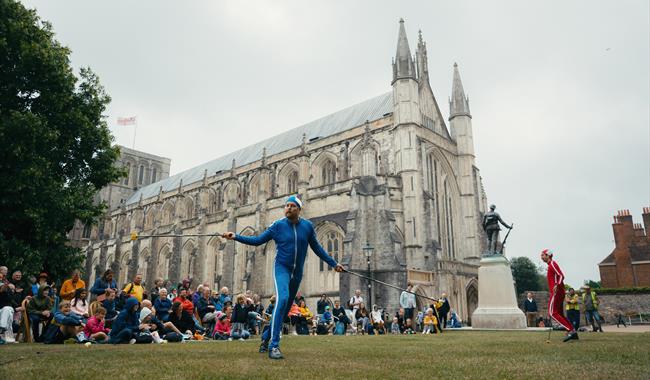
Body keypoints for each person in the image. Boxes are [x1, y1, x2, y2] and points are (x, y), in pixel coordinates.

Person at [222, 194, 344, 359]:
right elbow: (258, 240)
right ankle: (274, 346)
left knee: (285, 309)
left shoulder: (307, 226)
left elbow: (318, 248)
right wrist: (235, 236)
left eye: (292, 206)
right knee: (283, 298)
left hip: (297, 273)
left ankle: (265, 339)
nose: (288, 208)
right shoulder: (278, 226)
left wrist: (333, 263)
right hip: (282, 269)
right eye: (286, 206)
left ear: (299, 209)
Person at [541, 249, 578, 342]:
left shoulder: (552, 263)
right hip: (559, 292)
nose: (541, 257)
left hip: (556, 292)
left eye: (543, 255)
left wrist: (556, 284)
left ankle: (571, 330)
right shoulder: (550, 265)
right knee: (560, 314)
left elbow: (561, 275)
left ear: (548, 255)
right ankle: (573, 331)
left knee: (552, 313)